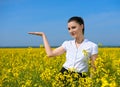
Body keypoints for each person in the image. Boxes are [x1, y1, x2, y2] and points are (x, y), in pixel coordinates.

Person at [28, 16, 98, 78]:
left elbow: (94, 67)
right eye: (69, 29)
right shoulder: (67, 44)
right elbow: (50, 54)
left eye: (73, 27)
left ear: (82, 26)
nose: (71, 31)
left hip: (80, 78)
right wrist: (43, 36)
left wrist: (90, 82)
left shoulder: (92, 46)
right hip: (63, 74)